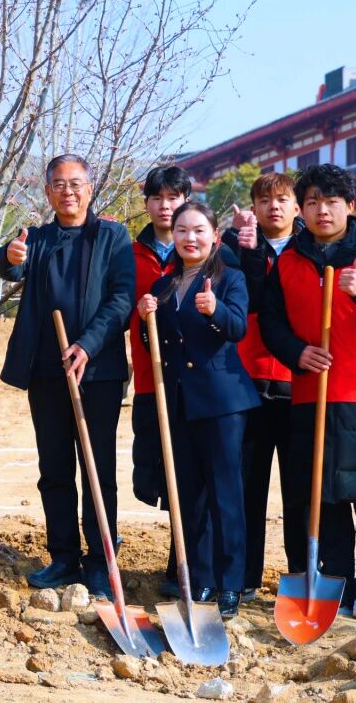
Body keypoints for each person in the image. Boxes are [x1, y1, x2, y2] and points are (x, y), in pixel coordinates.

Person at [259, 163, 356, 622]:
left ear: (350, 206)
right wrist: (297, 352)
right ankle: (339, 579)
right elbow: (271, 324)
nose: (322, 211)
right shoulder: (288, 261)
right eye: (312, 203)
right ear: (302, 210)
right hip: (313, 392)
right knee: (325, 494)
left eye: (331, 202)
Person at [0, 155, 135, 595]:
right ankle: (64, 557)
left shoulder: (112, 236)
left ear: (89, 189)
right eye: (59, 184)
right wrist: (9, 257)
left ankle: (101, 560)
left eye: (75, 184)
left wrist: (87, 344)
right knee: (54, 467)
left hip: (98, 371)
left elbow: (122, 298)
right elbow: (7, 265)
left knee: (98, 469)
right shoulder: (36, 238)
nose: (68, 192)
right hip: (47, 370)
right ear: (48, 192)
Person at [137, 201, 258, 617]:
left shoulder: (230, 278)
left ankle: (231, 584)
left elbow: (238, 327)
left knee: (226, 494)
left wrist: (215, 310)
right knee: (190, 496)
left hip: (223, 402)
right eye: (182, 231)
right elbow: (155, 345)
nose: (190, 238)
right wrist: (145, 319)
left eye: (199, 230)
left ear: (215, 237)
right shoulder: (162, 285)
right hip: (179, 403)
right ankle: (201, 580)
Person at [222, 173, 307, 600]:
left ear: (297, 207)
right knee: (246, 489)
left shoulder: (311, 251)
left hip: (299, 386)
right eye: (265, 199)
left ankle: (302, 577)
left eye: (283, 199)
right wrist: (244, 246)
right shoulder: (230, 248)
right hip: (246, 384)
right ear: (253, 207)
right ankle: (243, 578)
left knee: (300, 492)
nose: (274, 206)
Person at [127, 165, 197, 599]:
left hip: (195, 386)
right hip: (150, 382)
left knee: (190, 475)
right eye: (158, 198)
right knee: (158, 472)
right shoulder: (130, 254)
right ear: (147, 203)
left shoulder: (205, 251)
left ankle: (182, 565)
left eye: (174, 197)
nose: (165, 206)